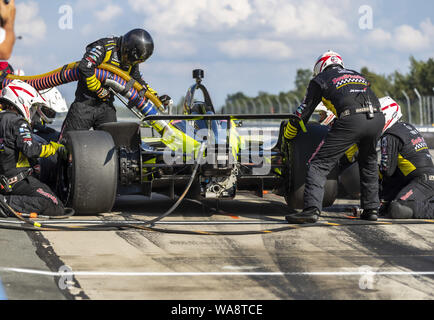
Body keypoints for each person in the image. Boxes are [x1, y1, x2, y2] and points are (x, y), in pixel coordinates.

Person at [284, 50, 385, 224]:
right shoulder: (358, 75)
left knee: (318, 164)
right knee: (368, 163)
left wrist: (290, 131)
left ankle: (311, 210)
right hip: (376, 118)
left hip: (351, 119)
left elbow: (304, 111)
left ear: (320, 67)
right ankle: (371, 210)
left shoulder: (320, 79)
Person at [60, 28, 171, 138]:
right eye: (133, 60)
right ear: (127, 49)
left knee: (115, 147)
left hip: (106, 107)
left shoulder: (133, 59)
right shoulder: (104, 47)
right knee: (66, 146)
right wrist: (98, 89)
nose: (132, 63)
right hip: (84, 105)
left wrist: (156, 98)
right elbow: (85, 67)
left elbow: (138, 83)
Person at [0, 80, 66, 217]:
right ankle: (6, 203)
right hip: (16, 182)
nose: (32, 110)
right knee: (55, 205)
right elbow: (30, 149)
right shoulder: (18, 121)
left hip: (5, 180)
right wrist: (53, 149)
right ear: (21, 101)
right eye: (32, 106)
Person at [378, 98, 434, 219]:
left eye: (379, 116)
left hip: (422, 182)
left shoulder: (390, 135)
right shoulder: (407, 127)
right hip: (422, 180)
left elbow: (387, 170)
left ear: (388, 115)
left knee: (398, 208)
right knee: (389, 205)